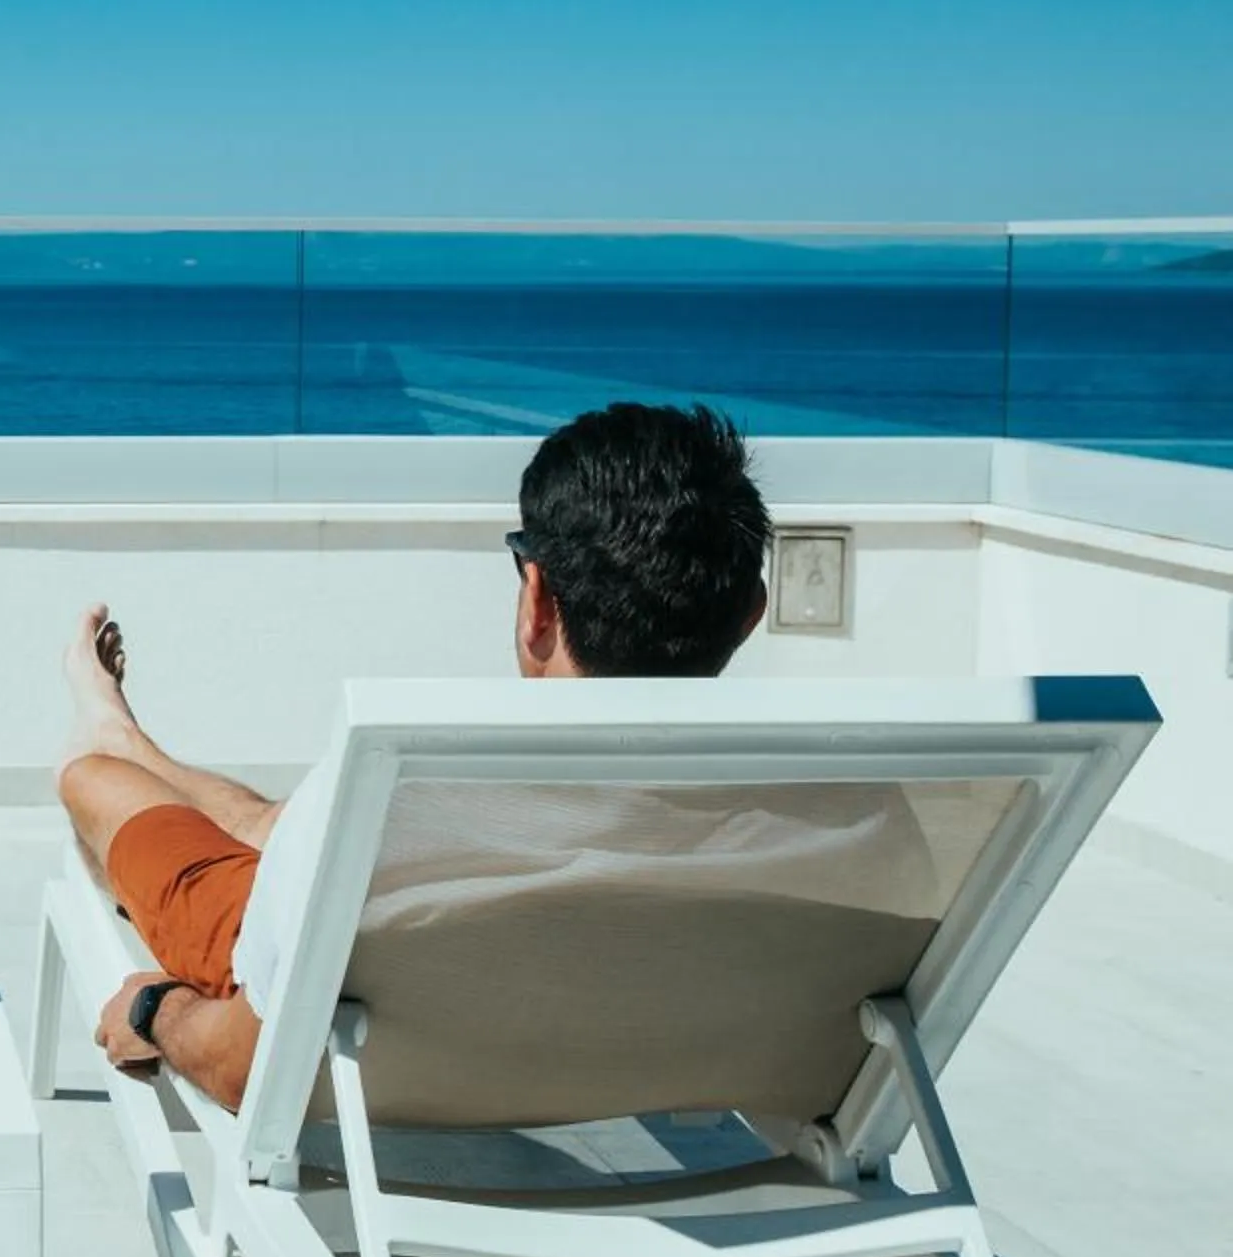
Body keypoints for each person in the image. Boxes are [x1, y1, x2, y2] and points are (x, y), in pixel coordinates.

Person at [59, 401, 772, 1107]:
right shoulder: (801, 802)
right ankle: (135, 742)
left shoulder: (412, 775)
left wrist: (157, 1011)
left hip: (355, 974)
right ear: (748, 616)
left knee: (93, 780)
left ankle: (115, 748)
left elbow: (245, 1067)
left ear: (538, 601)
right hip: (598, 1001)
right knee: (283, 825)